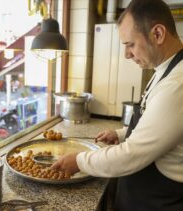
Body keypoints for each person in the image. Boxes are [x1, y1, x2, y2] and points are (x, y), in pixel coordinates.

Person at [51, 0, 183, 210]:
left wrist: (79, 161)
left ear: (157, 34)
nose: (127, 54)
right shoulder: (165, 70)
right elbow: (160, 124)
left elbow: (132, 154)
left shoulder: (177, 84)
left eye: (130, 44)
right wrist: (122, 133)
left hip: (157, 201)